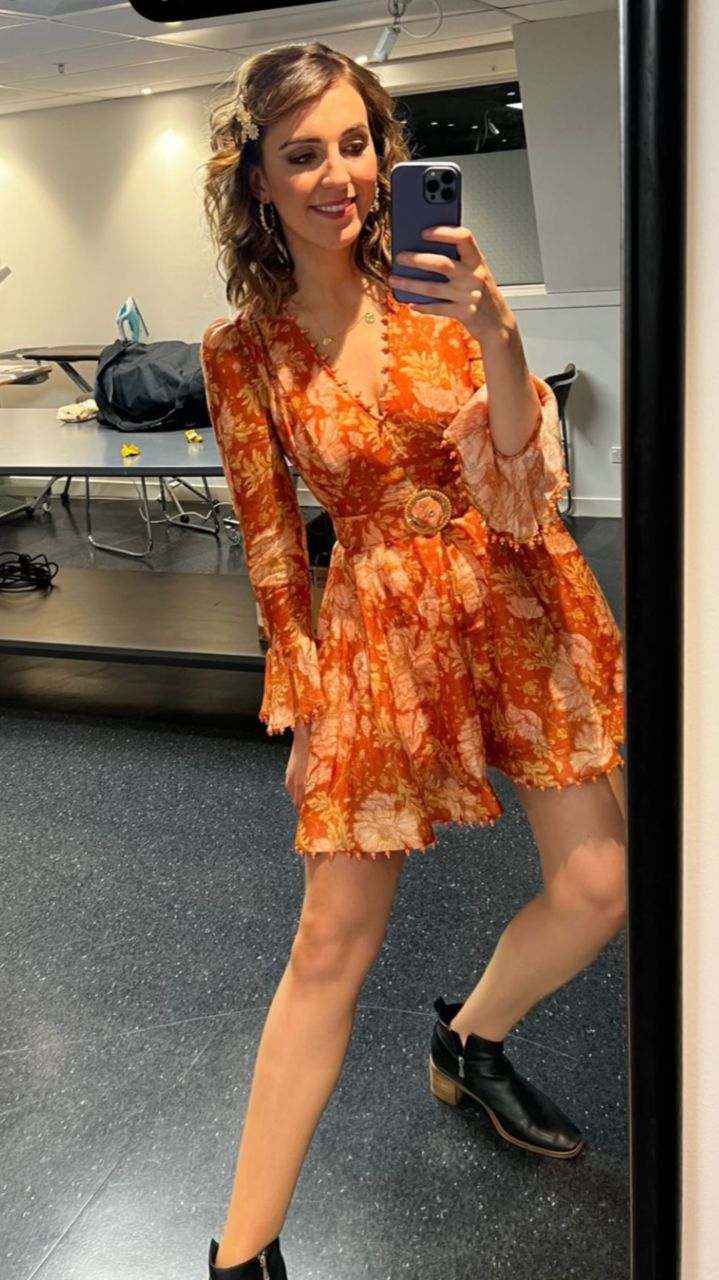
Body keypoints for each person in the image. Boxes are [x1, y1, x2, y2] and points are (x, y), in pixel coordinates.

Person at [199, 41, 627, 1280]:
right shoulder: (243, 352)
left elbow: (525, 480)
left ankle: (469, 1040)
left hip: (513, 598)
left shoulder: (442, 290)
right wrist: (302, 703)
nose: (337, 174)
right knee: (327, 941)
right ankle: (240, 1254)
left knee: (599, 886)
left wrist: (496, 332)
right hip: (378, 634)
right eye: (302, 155)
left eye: (354, 143)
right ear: (258, 180)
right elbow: (272, 547)